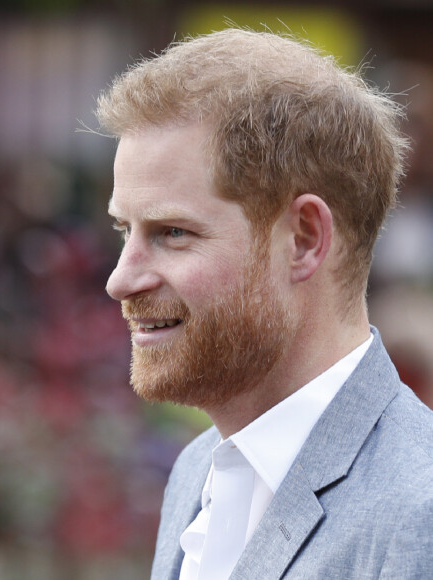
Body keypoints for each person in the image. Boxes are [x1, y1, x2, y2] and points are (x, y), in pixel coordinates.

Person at [95, 28, 433, 579]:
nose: (120, 279)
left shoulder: (419, 516)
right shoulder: (194, 472)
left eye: (173, 232)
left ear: (302, 239)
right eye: (124, 229)